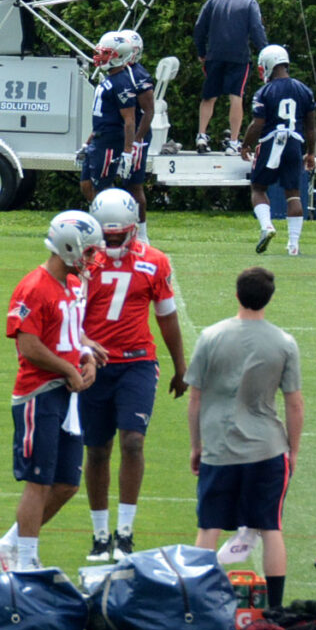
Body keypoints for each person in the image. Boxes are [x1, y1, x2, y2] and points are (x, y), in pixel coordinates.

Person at [185, 266, 305, 607]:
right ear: (269, 298)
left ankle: (198, 605)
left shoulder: (211, 336)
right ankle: (275, 608)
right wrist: (293, 450)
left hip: (219, 447)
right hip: (267, 448)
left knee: (209, 527)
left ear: (237, 294)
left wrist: (196, 445)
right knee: (270, 528)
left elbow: (195, 399)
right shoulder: (283, 342)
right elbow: (294, 404)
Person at [79, 189, 187, 566]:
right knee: (97, 449)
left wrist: (181, 366)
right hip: (92, 364)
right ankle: (100, 534)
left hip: (137, 362)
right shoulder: (82, 261)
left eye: (117, 236)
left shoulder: (154, 261)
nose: (111, 244)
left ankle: (125, 532)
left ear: (132, 228)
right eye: (105, 236)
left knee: (133, 442)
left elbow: (167, 316)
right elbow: (67, 313)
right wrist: (80, 349)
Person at [0, 209, 103, 573]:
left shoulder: (71, 284)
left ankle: (10, 544)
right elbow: (29, 346)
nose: (93, 257)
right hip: (39, 393)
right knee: (38, 481)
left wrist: (86, 357)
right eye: (89, 250)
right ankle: (26, 560)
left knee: (67, 483)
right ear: (69, 246)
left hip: (66, 394)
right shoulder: (34, 287)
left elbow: (70, 335)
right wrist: (68, 369)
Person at [240, 44, 316, 256]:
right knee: (293, 194)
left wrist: (246, 144)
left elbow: (257, 123)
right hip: (294, 143)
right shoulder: (304, 90)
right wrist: (311, 152)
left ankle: (267, 226)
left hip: (271, 141)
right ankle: (293, 244)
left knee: (258, 188)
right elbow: (311, 126)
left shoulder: (264, 91)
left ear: (267, 65)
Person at [191, 0, 266, 151]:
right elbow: (256, 30)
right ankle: (233, 141)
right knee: (236, 96)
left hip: (214, 55)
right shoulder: (249, 3)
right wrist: (265, 52)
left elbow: (199, 28)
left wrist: (202, 52)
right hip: (238, 57)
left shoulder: (213, 0)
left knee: (209, 96)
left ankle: (201, 135)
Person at [80, 29, 150, 195]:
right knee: (86, 185)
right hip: (99, 138)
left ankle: (111, 211)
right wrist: (88, 142)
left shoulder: (122, 82)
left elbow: (130, 120)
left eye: (106, 53)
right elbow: (102, 117)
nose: (100, 56)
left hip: (109, 142)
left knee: (102, 188)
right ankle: (99, 210)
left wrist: (128, 151)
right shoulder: (109, 78)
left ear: (119, 56)